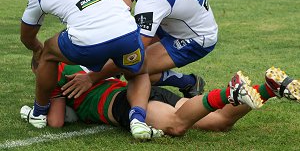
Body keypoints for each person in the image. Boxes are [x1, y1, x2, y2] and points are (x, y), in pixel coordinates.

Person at [20, 0, 154, 139]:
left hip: (87, 44)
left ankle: (38, 113)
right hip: (128, 33)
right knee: (139, 72)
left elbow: (27, 36)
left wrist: (36, 50)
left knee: (48, 51)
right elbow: (125, 1)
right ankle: (138, 119)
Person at [60, 0, 218, 99]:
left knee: (132, 69)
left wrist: (91, 77)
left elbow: (134, 53)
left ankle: (188, 82)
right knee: (120, 49)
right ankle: (113, 71)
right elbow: (119, 4)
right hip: (174, 21)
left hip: (196, 37)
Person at [23, 63, 299, 136]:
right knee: (219, 123)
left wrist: (39, 107)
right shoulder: (77, 57)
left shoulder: (53, 77)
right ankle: (270, 88)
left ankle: (229, 92)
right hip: (141, 90)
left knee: (176, 126)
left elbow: (56, 122)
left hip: (125, 103)